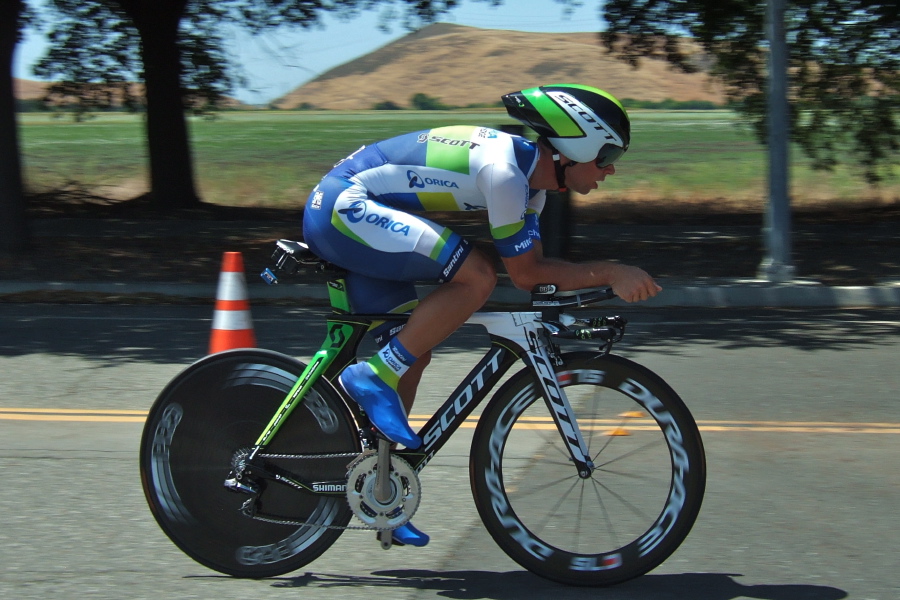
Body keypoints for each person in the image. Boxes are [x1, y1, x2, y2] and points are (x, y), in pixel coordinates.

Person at [301, 84, 662, 547]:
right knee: (478, 276)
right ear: (576, 147)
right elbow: (526, 272)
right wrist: (612, 272)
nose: (611, 170)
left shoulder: (533, 188)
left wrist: (600, 279)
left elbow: (535, 273)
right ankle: (371, 375)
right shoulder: (506, 174)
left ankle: (384, 491)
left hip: (363, 213)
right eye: (607, 155)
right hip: (344, 209)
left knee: (414, 349)